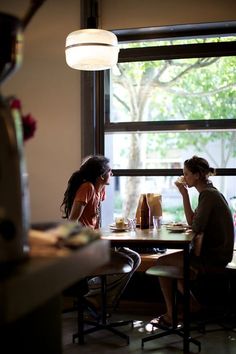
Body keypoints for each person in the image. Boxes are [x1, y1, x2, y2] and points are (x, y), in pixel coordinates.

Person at [152, 155, 234, 327]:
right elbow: (193, 223)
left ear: (197, 175)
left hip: (213, 256)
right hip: (216, 252)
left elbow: (195, 227)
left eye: (187, 174)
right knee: (169, 263)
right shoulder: (210, 193)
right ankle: (193, 305)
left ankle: (170, 315)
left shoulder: (208, 195)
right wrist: (184, 194)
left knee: (160, 262)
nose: (185, 177)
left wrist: (184, 195)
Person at [61, 154, 141, 313]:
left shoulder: (99, 190)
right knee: (127, 262)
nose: (112, 173)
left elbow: (94, 217)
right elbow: (72, 221)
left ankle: (101, 299)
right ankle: (94, 295)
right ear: (101, 175)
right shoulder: (87, 188)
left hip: (96, 242)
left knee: (135, 258)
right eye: (109, 171)